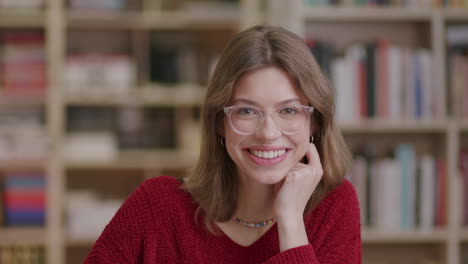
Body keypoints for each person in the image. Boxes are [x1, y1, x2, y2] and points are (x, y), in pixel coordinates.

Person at [84, 25, 361, 264]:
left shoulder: (334, 206)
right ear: (219, 123)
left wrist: (290, 220)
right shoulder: (156, 206)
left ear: (314, 122)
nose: (267, 133)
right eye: (246, 111)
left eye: (288, 111)